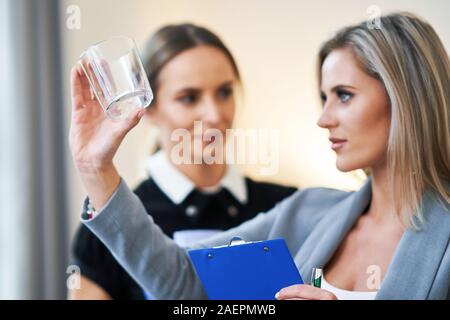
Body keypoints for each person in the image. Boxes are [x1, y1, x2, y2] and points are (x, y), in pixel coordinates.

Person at [69, 13, 450, 300]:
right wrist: (95, 167)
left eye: (344, 95)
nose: (323, 118)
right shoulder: (306, 211)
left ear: (406, 97)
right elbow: (184, 282)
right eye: (323, 98)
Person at [69, 24, 296, 300]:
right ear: (147, 107)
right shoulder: (108, 227)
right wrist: (94, 166)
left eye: (224, 92)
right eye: (189, 98)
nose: (213, 114)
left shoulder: (286, 207)